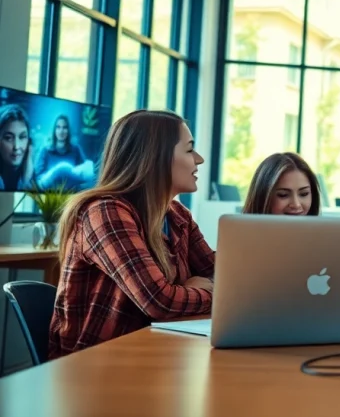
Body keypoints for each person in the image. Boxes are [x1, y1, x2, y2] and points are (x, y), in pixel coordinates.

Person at [49, 110, 215, 358]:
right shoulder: (104, 212)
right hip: (94, 367)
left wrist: (191, 289)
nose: (199, 159)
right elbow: (160, 302)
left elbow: (221, 275)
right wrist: (208, 292)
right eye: (190, 149)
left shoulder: (177, 214)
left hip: (156, 354)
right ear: (155, 157)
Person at [242, 152, 322, 216]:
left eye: (304, 194)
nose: (296, 205)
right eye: (283, 195)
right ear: (262, 197)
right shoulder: (238, 235)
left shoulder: (322, 235)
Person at [0, 104, 35, 191]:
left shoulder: (35, 178)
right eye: (8, 138)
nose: (17, 146)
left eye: (22, 137)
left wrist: (26, 180)